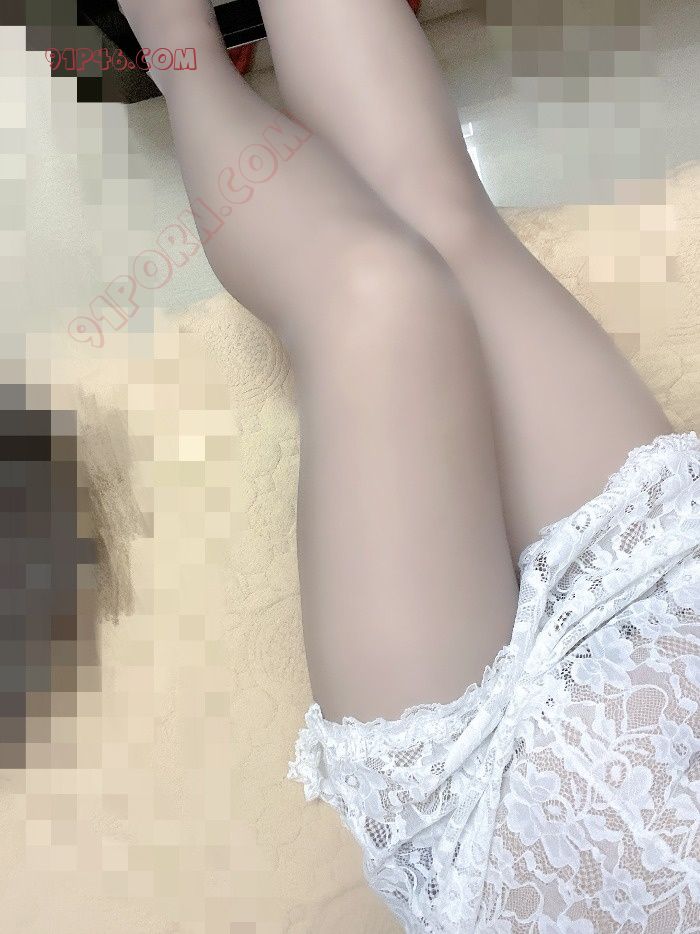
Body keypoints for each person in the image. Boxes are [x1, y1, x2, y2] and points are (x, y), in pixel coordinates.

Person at [116, 1, 700, 930]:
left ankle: (176, 50)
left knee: (377, 297)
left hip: (511, 843)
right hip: (672, 656)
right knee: (437, 213)